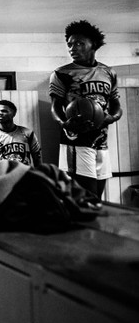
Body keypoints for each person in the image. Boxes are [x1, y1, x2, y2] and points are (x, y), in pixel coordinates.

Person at [49, 20, 122, 199]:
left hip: (101, 141)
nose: (73, 48)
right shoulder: (61, 73)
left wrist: (111, 118)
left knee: (97, 197)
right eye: (70, 44)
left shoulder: (108, 72)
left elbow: (116, 105)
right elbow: (55, 106)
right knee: (87, 197)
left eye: (79, 43)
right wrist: (65, 123)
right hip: (76, 141)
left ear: (94, 45)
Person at [0, 100, 42, 166]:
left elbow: (37, 159)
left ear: (13, 113)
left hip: (23, 174)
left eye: (4, 111)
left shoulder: (28, 133)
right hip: (4, 175)